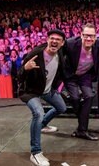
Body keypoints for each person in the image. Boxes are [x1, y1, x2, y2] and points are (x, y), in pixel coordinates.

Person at [18, 29, 67, 166]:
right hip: (30, 91)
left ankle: (43, 125)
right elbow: (19, 75)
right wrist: (25, 68)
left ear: (62, 43)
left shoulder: (60, 54)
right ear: (47, 39)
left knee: (62, 107)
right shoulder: (35, 54)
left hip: (47, 90)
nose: (54, 41)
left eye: (58, 39)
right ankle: (35, 152)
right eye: (52, 38)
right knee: (38, 113)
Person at [63, 23, 99, 141]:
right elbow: (56, 52)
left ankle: (82, 129)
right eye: (86, 35)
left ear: (96, 37)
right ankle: (82, 126)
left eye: (92, 36)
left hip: (85, 75)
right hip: (70, 75)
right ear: (81, 35)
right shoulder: (70, 44)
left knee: (89, 96)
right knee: (75, 98)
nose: (89, 38)